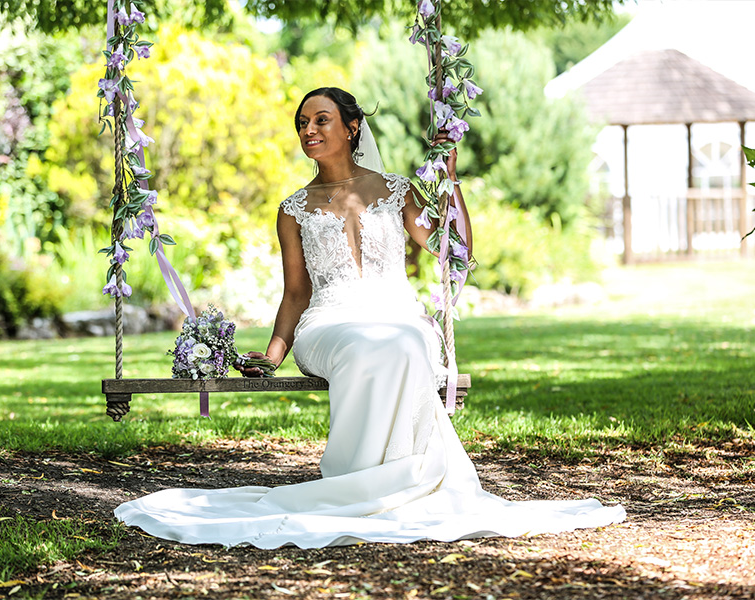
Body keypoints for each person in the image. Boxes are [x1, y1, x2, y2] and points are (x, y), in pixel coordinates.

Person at [114, 87, 625, 548]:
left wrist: (450, 179)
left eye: (321, 120)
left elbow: (457, 251)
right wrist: (272, 356)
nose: (308, 131)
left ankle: (389, 483)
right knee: (373, 344)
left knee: (404, 340)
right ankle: (359, 484)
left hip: (397, 315)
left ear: (352, 127)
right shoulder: (293, 208)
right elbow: (296, 293)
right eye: (302, 124)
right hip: (328, 324)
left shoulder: (399, 191)